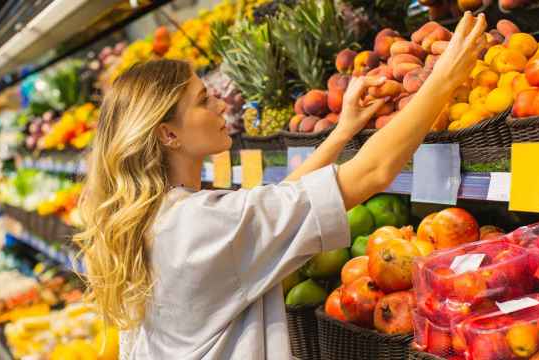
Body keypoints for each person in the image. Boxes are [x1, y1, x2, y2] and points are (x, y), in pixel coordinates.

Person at [74, 12, 487, 360]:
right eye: (203, 101)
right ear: (168, 135)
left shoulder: (160, 220)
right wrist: (444, 79)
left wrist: (341, 133)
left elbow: (275, 207)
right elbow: (372, 172)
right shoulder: (200, 225)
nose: (220, 105)